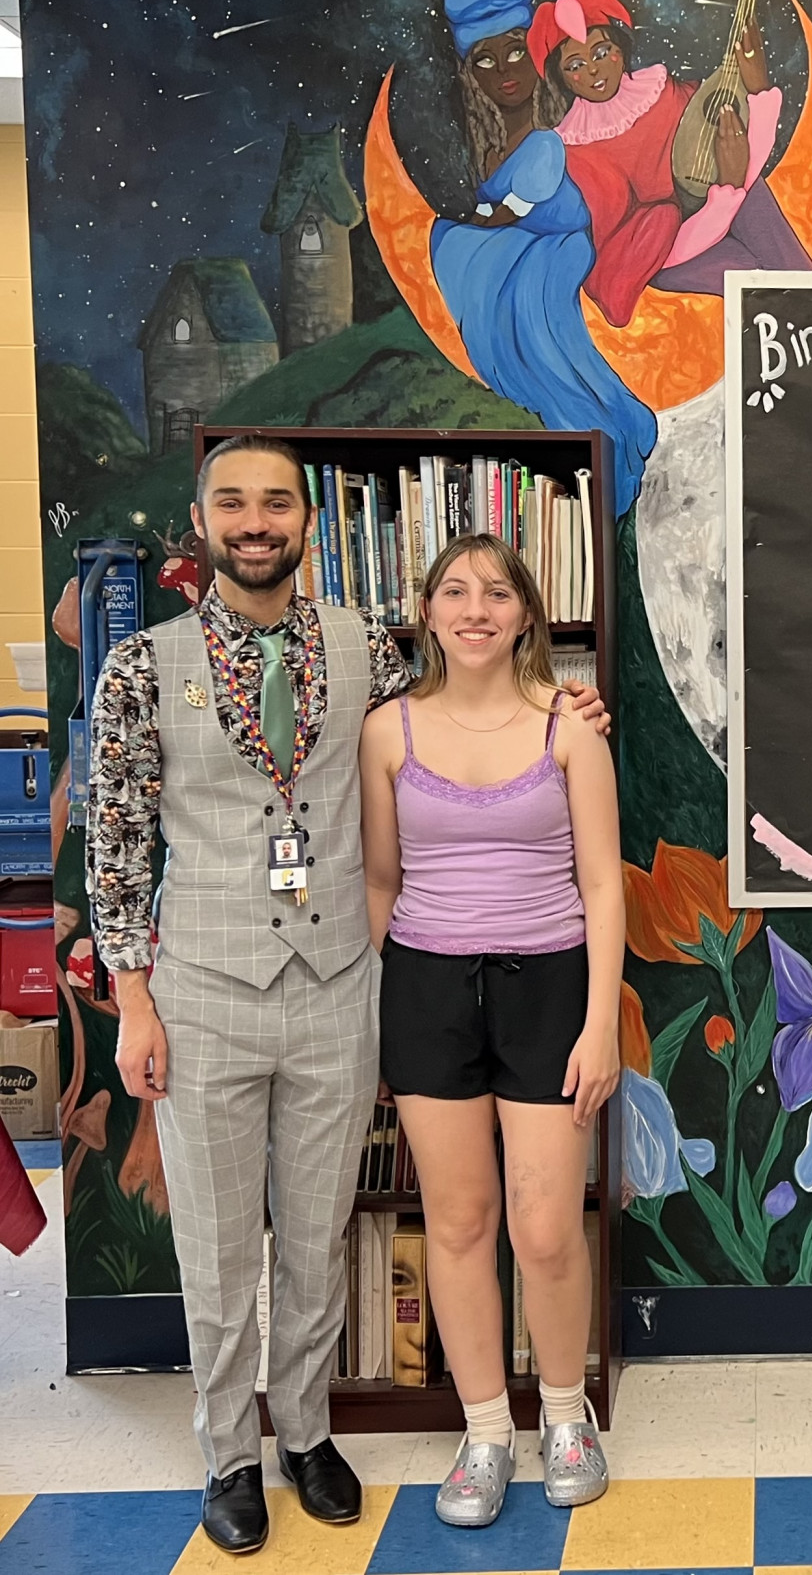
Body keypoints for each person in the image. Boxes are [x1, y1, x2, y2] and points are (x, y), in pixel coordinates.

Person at [88, 436, 607, 1555]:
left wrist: (573, 707)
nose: (256, 521)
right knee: (220, 1245)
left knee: (318, 1233)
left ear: (308, 524)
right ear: (202, 520)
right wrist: (133, 998)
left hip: (336, 985)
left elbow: (470, 704)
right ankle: (231, 1453)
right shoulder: (141, 666)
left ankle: (308, 1432)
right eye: (234, 502)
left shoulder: (364, 647)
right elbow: (117, 842)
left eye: (278, 502)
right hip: (204, 987)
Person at [359, 533, 623, 1527]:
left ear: (525, 617)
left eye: (499, 593)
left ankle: (566, 1416)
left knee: (545, 1227)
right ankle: (484, 1431)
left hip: (549, 987)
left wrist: (600, 1025)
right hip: (426, 989)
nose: (476, 609)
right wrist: (379, 1015)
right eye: (456, 591)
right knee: (460, 1223)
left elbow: (602, 885)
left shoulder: (570, 729)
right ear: (427, 612)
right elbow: (380, 882)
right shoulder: (386, 731)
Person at [429, 0, 659, 513]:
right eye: (485, 61)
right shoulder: (488, 139)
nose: (505, 72)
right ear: (469, 74)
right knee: (464, 252)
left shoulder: (557, 131)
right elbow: (498, 208)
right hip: (521, 243)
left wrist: (492, 224)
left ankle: (608, 432)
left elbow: (527, 205)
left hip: (563, 242)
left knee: (524, 301)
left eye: (516, 52)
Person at [524, 0, 812, 331]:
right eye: (575, 65)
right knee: (754, 280)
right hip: (672, 256)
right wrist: (727, 195)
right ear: (562, 79)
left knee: (780, 246)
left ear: (620, 50)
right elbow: (641, 251)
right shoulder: (578, 149)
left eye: (601, 52)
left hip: (723, 209)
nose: (593, 70)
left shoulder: (662, 92)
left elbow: (734, 148)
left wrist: (757, 90)